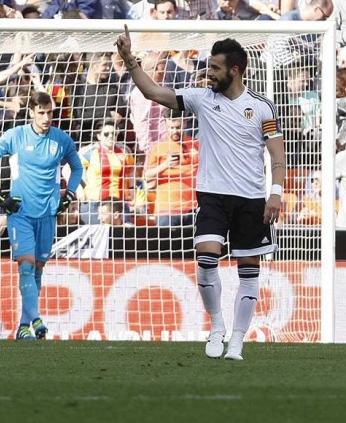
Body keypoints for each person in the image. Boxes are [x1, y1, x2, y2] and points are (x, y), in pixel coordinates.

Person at [116, 28, 285, 361]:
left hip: (251, 200)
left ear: (235, 70)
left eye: (215, 68)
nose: (209, 73)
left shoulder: (262, 107)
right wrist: (129, 60)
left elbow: (277, 155)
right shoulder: (201, 98)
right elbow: (152, 92)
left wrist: (275, 193)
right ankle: (217, 326)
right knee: (207, 259)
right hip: (212, 195)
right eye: (208, 67)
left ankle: (237, 339)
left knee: (248, 270)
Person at [0, 90, 83, 340]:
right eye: (42, 113)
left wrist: (68, 195)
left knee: (37, 271)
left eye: (50, 113)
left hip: (48, 214)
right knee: (26, 268)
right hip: (21, 214)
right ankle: (36, 319)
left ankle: (24, 326)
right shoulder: (16, 135)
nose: (46, 118)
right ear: (32, 112)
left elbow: (77, 167)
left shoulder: (61, 139)